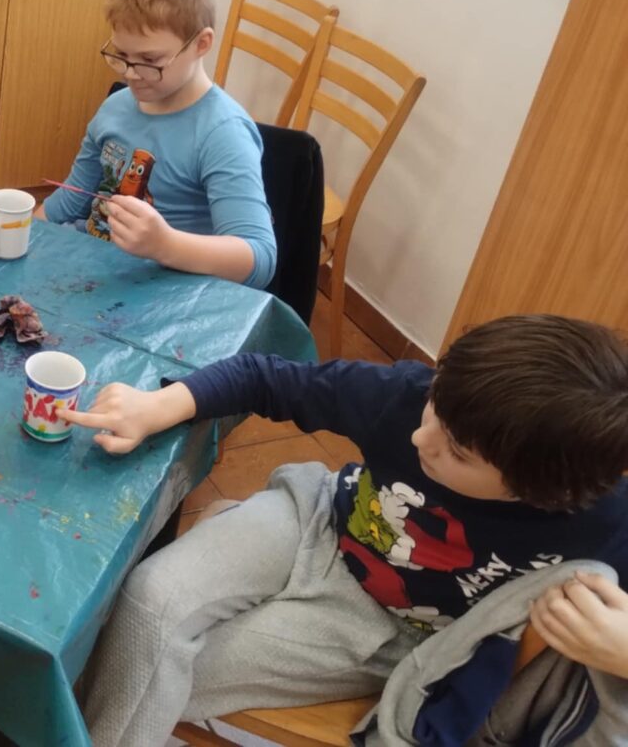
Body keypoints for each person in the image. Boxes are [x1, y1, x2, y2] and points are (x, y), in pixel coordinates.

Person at [64, 314, 628, 747]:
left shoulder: (603, 522)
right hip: (314, 516)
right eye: (435, 404)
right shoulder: (410, 398)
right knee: (147, 608)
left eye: (456, 452)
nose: (421, 438)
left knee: (149, 673)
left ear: (541, 491)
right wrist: (158, 405)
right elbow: (263, 377)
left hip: (386, 627)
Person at [37, 0, 275, 288]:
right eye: (122, 55)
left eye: (150, 60)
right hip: (91, 272)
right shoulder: (116, 107)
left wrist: (165, 245)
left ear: (201, 44)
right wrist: (20, 229)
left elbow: (260, 259)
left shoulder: (223, 134)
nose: (131, 74)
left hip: (164, 291)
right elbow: (70, 201)